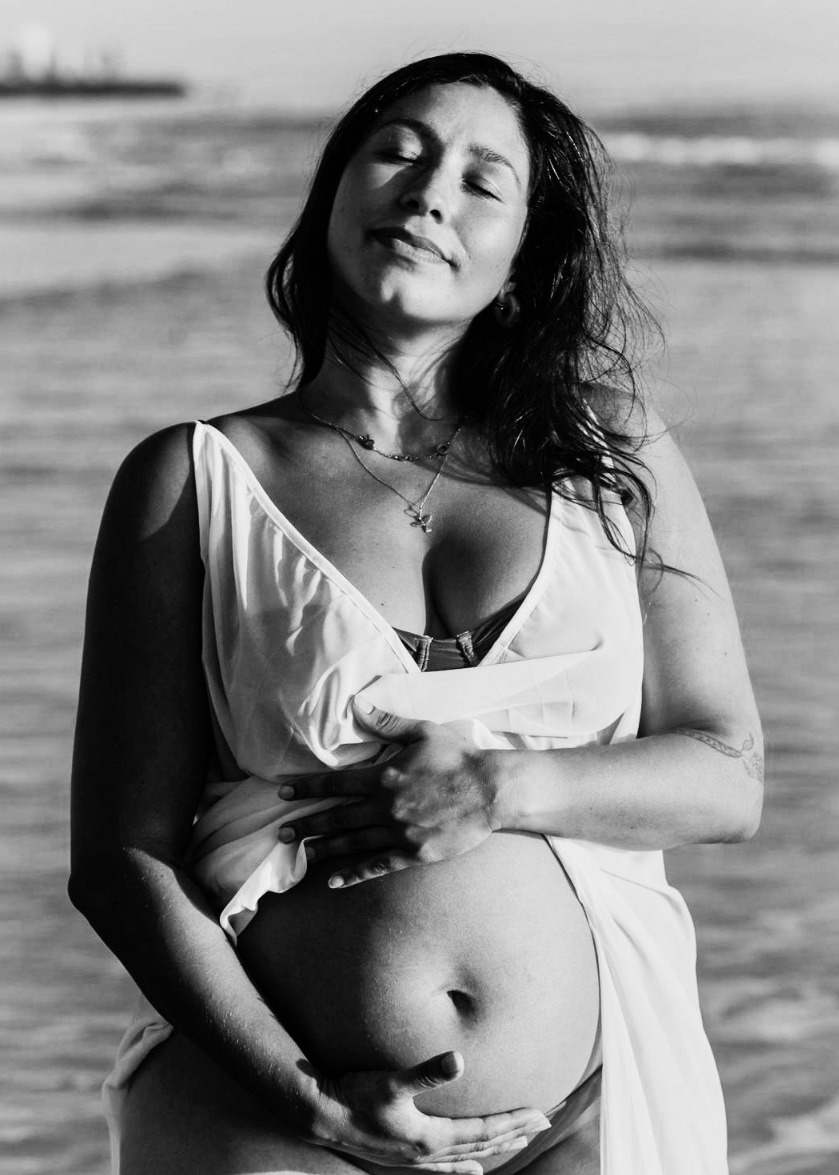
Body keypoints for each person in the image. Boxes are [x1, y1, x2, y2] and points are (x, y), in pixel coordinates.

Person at [70, 52, 763, 1175]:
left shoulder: (611, 455)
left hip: (581, 1111)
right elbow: (119, 857)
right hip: (270, 1108)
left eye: (483, 181)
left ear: (521, 258)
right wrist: (306, 1099)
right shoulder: (195, 476)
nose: (430, 193)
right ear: (330, 196)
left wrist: (498, 788)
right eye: (397, 151)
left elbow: (726, 776)